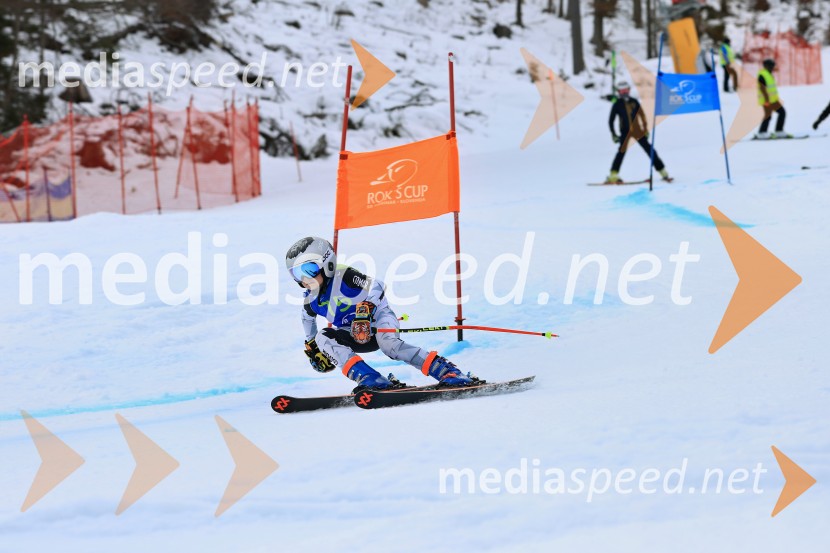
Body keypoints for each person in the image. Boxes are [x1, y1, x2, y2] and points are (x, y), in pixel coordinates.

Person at [285, 236, 475, 391]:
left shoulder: (345, 276)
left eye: (308, 270)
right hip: (354, 333)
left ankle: (447, 371)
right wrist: (313, 345)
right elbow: (306, 318)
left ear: (327, 262)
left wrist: (366, 308)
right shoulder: (311, 298)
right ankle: (371, 379)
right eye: (296, 274)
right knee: (323, 337)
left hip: (379, 320)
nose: (304, 279)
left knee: (389, 344)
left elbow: (377, 285)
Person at [605, 82, 672, 184]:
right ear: (619, 92)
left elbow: (642, 116)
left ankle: (663, 172)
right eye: (622, 91)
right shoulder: (617, 104)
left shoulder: (634, 101)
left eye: (626, 90)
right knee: (621, 153)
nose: (624, 92)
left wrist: (645, 130)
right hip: (625, 132)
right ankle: (613, 175)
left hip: (638, 131)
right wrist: (613, 134)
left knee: (650, 150)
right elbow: (611, 120)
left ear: (629, 90)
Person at [757, 58, 790, 139]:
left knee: (782, 112)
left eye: (773, 65)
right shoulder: (762, 74)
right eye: (771, 65)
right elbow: (762, 88)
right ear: (766, 66)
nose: (772, 67)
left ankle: (779, 131)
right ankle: (761, 133)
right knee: (768, 116)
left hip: (773, 100)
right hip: (766, 100)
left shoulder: (768, 73)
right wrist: (767, 100)